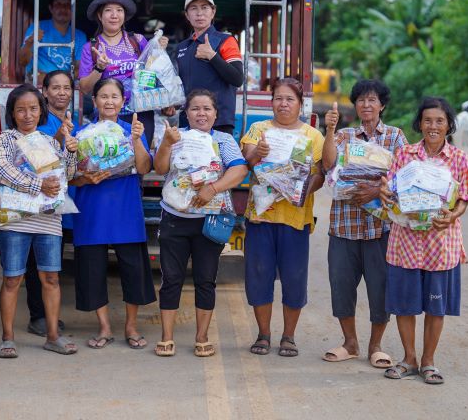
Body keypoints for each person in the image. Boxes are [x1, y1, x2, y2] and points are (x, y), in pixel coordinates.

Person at [379, 97, 468, 385]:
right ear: (419, 124)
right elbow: (390, 192)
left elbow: (465, 199)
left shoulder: (459, 159)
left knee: (436, 307)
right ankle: (408, 359)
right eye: (428, 120)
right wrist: (386, 194)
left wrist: (453, 215)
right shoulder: (405, 154)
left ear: (449, 125)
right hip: (405, 242)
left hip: (441, 244)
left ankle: (428, 362)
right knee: (405, 304)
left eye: (439, 121)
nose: (433, 126)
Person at [152, 89, 247, 357]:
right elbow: (159, 169)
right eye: (195, 108)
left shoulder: (224, 139)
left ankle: (202, 337)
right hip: (175, 218)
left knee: (206, 280)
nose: (201, 113)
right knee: (171, 279)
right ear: (187, 113)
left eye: (207, 108)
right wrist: (167, 144)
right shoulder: (174, 136)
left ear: (216, 114)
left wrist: (213, 189)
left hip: (209, 221)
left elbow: (239, 170)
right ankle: (167, 337)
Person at [321, 79, 407, 368]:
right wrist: (330, 130)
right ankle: (350, 343)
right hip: (344, 225)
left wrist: (375, 191)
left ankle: (376, 345)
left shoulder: (395, 137)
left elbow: (405, 179)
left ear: (382, 105)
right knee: (341, 286)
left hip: (381, 229)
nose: (366, 105)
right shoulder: (344, 135)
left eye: (372, 100)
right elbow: (328, 165)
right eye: (360, 100)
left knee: (380, 289)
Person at [240, 77, 327, 358]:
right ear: (271, 102)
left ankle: (288, 336)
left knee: (294, 278)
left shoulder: (312, 136)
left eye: (290, 99)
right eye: (278, 98)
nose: (283, 103)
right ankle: (264, 334)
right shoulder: (259, 129)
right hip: (261, 216)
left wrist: (301, 191)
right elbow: (247, 160)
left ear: (300, 105)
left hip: (294, 217)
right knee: (259, 277)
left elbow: (319, 174)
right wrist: (258, 152)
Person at [69, 78, 156, 350]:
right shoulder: (82, 134)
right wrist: (85, 178)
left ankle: (131, 326)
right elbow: (70, 177)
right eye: (103, 96)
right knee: (92, 269)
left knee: (133, 268)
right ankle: (104, 326)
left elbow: (143, 168)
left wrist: (137, 140)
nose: (109, 101)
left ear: (123, 101)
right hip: (92, 206)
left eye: (114, 97)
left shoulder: (132, 130)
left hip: (125, 207)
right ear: (94, 101)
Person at [0, 84, 78, 358]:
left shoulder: (50, 142)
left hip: (48, 221)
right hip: (15, 222)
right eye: (21, 110)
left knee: (51, 278)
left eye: (33, 109)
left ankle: (53, 336)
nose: (27, 115)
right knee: (12, 280)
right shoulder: (5, 140)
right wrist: (38, 185)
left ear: (41, 111)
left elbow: (67, 175)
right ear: (13, 113)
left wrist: (71, 151)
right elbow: (2, 171)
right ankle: (7, 338)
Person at [77, 0, 168, 145]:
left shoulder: (138, 40)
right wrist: (99, 68)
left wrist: (158, 53)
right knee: (110, 159)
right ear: (100, 16)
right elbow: (84, 88)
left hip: (141, 111)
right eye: (108, 10)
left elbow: (152, 73)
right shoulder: (91, 47)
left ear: (124, 16)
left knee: (141, 160)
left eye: (119, 10)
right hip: (108, 113)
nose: (114, 15)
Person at [24, 69, 77, 336]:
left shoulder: (73, 119)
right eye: (55, 87)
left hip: (64, 203)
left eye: (66, 88)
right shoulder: (38, 119)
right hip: (40, 204)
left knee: (52, 263)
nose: (61, 92)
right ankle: (38, 316)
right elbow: (37, 160)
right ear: (44, 92)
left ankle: (48, 314)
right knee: (36, 263)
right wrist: (60, 136)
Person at [174, 0, 244, 135]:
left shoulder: (226, 40)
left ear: (213, 12)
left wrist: (212, 56)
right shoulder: (182, 47)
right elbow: (180, 85)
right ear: (187, 15)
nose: (199, 13)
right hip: (188, 122)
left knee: (216, 159)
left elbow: (237, 79)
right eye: (194, 8)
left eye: (205, 8)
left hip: (219, 123)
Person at [18, 0, 88, 83]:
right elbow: (22, 62)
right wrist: (30, 42)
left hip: (66, 84)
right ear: (51, 8)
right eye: (58, 4)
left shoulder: (80, 36)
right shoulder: (37, 27)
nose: (63, 9)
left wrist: (58, 81)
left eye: (67, 5)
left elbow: (80, 68)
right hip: (38, 81)